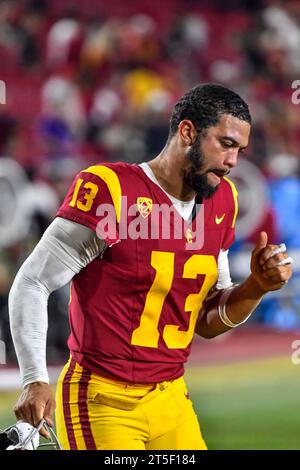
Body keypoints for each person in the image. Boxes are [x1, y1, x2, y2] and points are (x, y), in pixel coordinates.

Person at [9, 84, 292, 450]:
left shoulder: (224, 199)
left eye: (239, 149)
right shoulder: (112, 189)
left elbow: (206, 321)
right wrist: (33, 378)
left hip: (172, 395)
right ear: (188, 132)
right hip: (104, 399)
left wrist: (257, 286)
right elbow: (32, 282)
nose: (233, 161)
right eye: (225, 144)